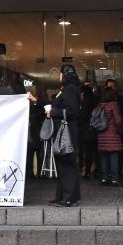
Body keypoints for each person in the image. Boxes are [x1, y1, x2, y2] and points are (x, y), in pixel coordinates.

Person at [47, 64, 81, 207]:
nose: (59, 76)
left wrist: (53, 112)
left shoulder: (69, 90)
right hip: (66, 132)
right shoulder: (70, 89)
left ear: (64, 75)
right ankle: (62, 196)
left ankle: (69, 198)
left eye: (60, 74)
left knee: (66, 164)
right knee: (63, 164)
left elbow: (72, 111)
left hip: (66, 133)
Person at [97, 87, 123, 186]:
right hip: (112, 134)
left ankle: (104, 178)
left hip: (102, 135)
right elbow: (118, 120)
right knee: (114, 157)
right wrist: (120, 129)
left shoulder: (100, 105)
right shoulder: (114, 104)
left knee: (104, 157)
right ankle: (114, 179)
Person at [104, 78, 123, 179]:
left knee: (108, 155)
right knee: (115, 154)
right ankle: (115, 176)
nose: (111, 89)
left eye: (113, 86)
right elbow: (120, 118)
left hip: (106, 132)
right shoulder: (115, 101)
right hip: (115, 132)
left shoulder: (102, 101)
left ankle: (106, 176)